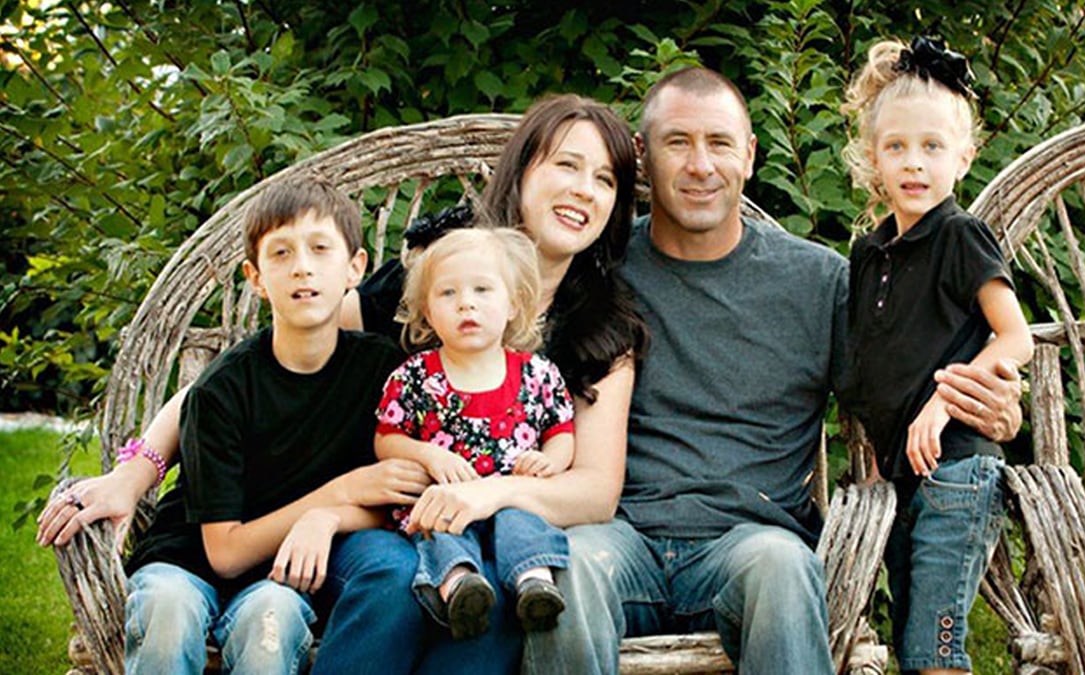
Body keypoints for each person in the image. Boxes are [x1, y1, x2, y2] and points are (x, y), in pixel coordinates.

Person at [38, 93, 650, 674]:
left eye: (605, 179)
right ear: (520, 172)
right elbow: (250, 372)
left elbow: (593, 491)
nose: (582, 190)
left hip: (491, 529)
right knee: (400, 577)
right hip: (382, 518)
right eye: (566, 165)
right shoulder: (432, 278)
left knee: (485, 596)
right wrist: (134, 471)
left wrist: (485, 497)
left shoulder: (602, 328)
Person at [522, 67, 1025, 674]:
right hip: (621, 538)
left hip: (750, 546)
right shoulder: (598, 270)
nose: (700, 165)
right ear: (643, 157)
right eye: (677, 143)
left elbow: (899, 386)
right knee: (567, 567)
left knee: (784, 567)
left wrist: (990, 407)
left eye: (720, 143)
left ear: (751, 155)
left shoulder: (817, 282)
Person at [110, 174, 418, 673]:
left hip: (280, 576)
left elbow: (390, 505)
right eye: (281, 254)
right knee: (165, 610)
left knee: (270, 619)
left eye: (320, 249)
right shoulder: (222, 390)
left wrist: (334, 514)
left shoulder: (382, 373)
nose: (302, 269)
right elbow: (224, 552)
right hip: (190, 562)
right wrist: (338, 494)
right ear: (255, 278)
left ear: (354, 268)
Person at [840, 37, 1034, 675]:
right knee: (910, 644)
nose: (913, 163)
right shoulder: (870, 255)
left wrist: (943, 401)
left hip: (956, 469)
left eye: (932, 147)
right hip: (902, 476)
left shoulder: (959, 236)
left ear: (964, 157)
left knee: (935, 644)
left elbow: (1015, 337)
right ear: (873, 156)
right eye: (896, 147)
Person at [376, 227, 574, 639]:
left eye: (483, 290)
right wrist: (430, 456)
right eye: (447, 294)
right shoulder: (415, 377)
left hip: (511, 496)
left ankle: (534, 584)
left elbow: (561, 430)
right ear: (427, 312)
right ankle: (461, 588)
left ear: (513, 304)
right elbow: (387, 438)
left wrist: (550, 460)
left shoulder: (535, 374)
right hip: (447, 503)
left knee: (525, 522)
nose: (466, 303)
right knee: (440, 531)